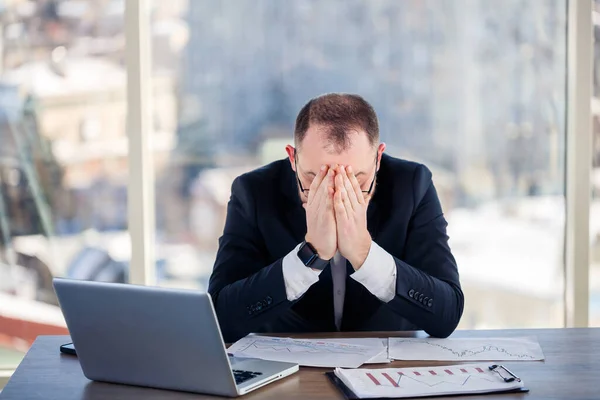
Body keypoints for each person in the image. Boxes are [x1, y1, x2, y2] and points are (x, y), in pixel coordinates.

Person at [208, 93, 464, 343]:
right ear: (292, 158)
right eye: (314, 179)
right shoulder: (253, 192)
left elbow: (446, 313)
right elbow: (220, 318)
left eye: (356, 180)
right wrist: (309, 256)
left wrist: (365, 254)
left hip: (388, 367)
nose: (335, 193)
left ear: (378, 159)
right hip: (289, 366)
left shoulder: (413, 185)